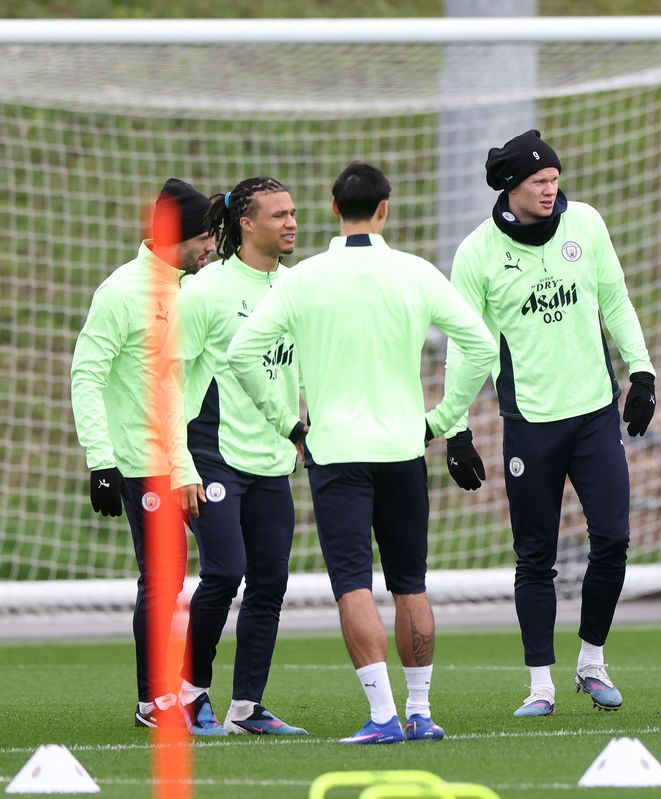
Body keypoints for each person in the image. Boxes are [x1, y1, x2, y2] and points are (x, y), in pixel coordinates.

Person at [227, 162, 496, 744]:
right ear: (384, 209)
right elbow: (480, 344)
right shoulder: (415, 272)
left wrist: (288, 426)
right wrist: (442, 419)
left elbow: (241, 353)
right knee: (410, 583)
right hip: (403, 448)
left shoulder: (302, 279)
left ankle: (382, 716)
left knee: (353, 585)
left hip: (337, 454)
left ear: (332, 208)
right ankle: (420, 712)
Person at [444, 129, 657, 718]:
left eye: (554, 179)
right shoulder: (476, 253)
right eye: (539, 181)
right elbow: (463, 347)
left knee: (612, 539)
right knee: (534, 557)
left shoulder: (585, 223)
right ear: (511, 186)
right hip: (530, 423)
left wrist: (641, 371)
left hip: (594, 414)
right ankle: (540, 685)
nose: (549, 189)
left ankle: (592, 663)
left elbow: (615, 300)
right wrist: (456, 428)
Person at [70, 178, 213, 728]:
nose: (211, 246)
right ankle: (154, 701)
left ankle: (203, 695)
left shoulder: (194, 290)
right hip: (141, 462)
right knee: (164, 578)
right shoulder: (121, 292)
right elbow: (87, 375)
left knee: (228, 569)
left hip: (192, 458)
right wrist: (101, 461)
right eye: (203, 236)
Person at [167, 176, 307, 737]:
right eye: (279, 215)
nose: (291, 223)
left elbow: (301, 370)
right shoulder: (205, 291)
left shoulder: (297, 288)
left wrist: (305, 430)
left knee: (269, 583)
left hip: (272, 458)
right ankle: (188, 693)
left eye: (293, 212)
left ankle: (247, 707)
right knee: (225, 571)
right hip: (212, 453)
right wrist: (179, 464)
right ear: (246, 224)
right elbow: (168, 381)